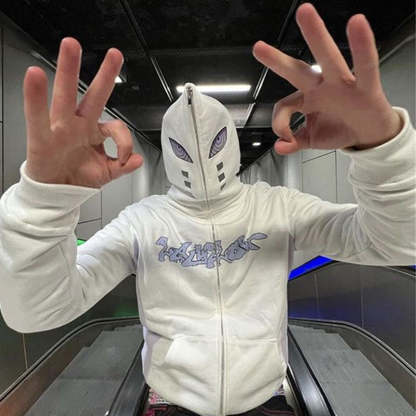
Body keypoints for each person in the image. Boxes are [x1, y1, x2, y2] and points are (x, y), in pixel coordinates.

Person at [0, 3, 414, 416]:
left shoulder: (277, 207)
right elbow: (36, 310)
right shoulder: (142, 223)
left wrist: (384, 152)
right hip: (170, 405)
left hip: (265, 402)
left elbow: (396, 243)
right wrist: (44, 201)